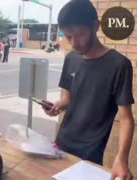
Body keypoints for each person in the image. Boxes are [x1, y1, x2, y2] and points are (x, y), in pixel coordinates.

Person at [42, 1, 134, 179]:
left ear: (96, 26)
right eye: (68, 37)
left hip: (90, 153)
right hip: (61, 145)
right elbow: (67, 98)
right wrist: (56, 106)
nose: (74, 43)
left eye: (80, 34)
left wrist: (121, 159)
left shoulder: (119, 65)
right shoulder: (71, 59)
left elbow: (126, 119)